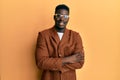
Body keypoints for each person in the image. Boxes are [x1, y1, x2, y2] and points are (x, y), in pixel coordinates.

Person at [35, 4, 84, 80]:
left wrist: (52, 63)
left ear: (68, 19)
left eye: (65, 16)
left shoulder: (75, 36)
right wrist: (69, 59)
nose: (62, 19)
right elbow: (41, 62)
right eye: (59, 15)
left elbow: (80, 63)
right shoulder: (43, 35)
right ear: (54, 17)